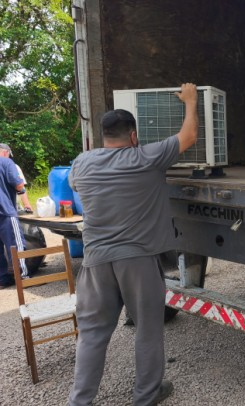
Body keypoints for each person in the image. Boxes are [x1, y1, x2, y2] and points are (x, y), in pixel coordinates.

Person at [68, 83, 198, 406]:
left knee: (92, 334)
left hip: (95, 262)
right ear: (134, 135)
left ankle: (79, 401)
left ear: (103, 137)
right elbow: (189, 136)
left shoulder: (81, 163)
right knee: (147, 330)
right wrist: (190, 100)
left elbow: (76, 185)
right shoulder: (147, 157)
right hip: (137, 260)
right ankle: (145, 395)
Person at [0, 143, 29, 288]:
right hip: (5, 211)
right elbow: (18, 185)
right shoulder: (7, 163)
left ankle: (2, 279)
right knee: (16, 244)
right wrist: (21, 189)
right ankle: (23, 277)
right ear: (6, 152)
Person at [0, 144, 33, 213]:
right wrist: (27, 205)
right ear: (6, 153)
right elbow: (20, 186)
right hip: (9, 208)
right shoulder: (11, 166)